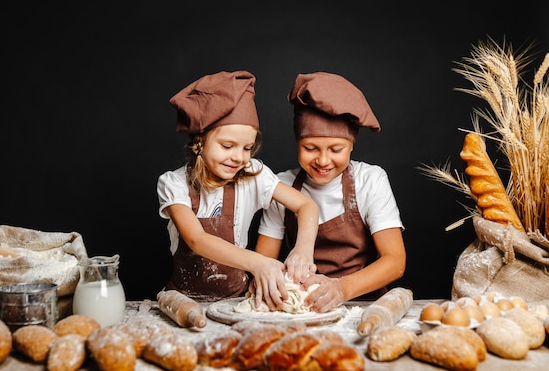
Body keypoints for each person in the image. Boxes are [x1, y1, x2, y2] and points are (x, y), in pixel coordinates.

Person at [157, 70, 319, 310]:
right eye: (227, 146)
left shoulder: (253, 175)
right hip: (182, 302)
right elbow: (196, 239)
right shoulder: (173, 183)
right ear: (199, 142)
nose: (238, 157)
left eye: (247, 148)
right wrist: (259, 263)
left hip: (236, 302)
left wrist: (303, 249)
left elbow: (307, 206)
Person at [255, 72, 406, 313]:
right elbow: (263, 261)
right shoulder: (282, 186)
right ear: (297, 143)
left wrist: (342, 289)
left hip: (363, 306)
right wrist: (268, 283)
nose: (323, 160)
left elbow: (395, 261)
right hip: (302, 310)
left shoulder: (370, 181)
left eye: (336, 149)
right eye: (310, 148)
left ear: (352, 145)